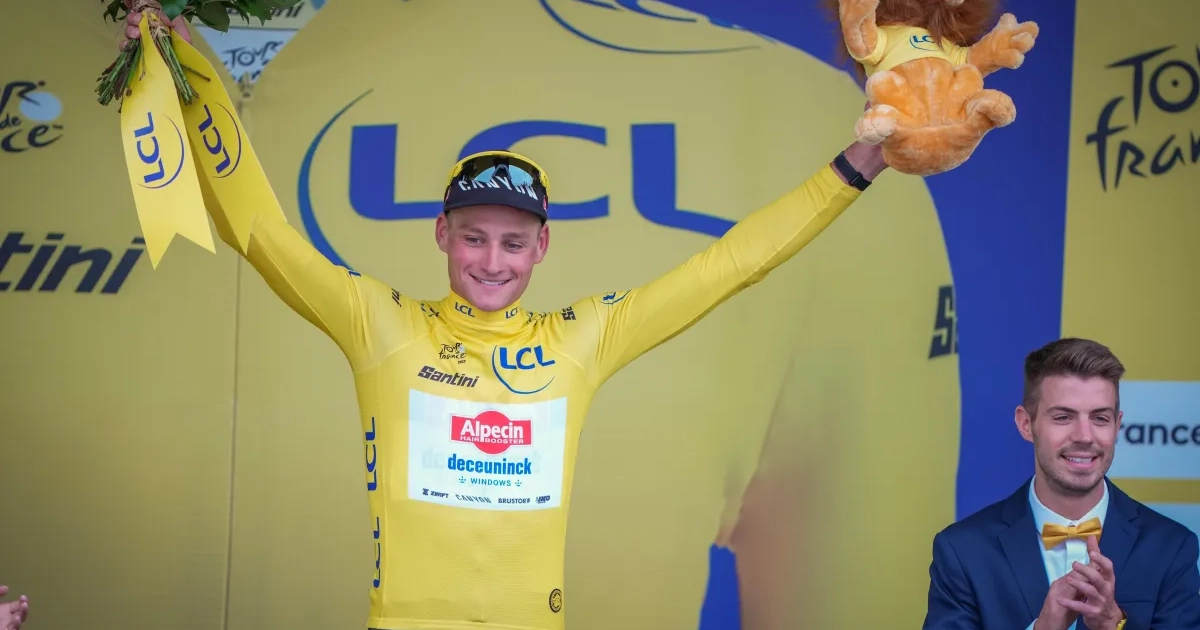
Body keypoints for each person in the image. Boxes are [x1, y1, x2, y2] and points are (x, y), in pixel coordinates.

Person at [125, 10, 887, 630]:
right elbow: (258, 230)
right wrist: (188, 79)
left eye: (513, 243)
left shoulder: (581, 339)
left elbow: (731, 263)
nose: (492, 261)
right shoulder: (380, 324)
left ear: (541, 247)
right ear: (442, 234)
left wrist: (857, 166)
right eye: (474, 237)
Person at [922, 337, 1200, 630]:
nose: (1084, 436)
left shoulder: (1172, 547)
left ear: (1117, 425)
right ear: (1026, 424)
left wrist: (1113, 624)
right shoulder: (963, 551)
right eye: (1064, 417)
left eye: (1100, 418)